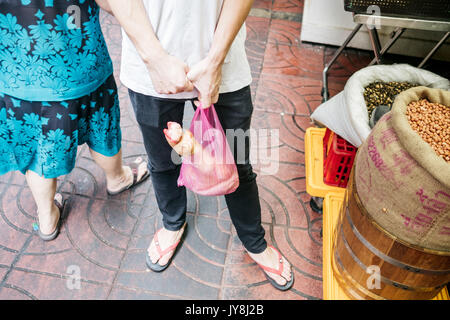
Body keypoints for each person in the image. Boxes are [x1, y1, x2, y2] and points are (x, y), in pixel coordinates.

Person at [103, 0, 294, 290]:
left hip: (223, 60)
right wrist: (155, 58)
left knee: (237, 164)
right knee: (162, 160)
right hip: (148, 66)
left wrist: (215, 61)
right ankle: (172, 222)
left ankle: (254, 240)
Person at [0, 0, 149, 241]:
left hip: (20, 78)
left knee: (39, 155)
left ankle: (47, 218)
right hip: (81, 65)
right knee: (102, 131)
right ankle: (117, 178)